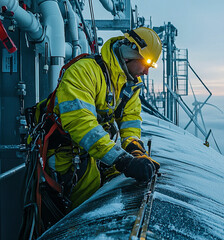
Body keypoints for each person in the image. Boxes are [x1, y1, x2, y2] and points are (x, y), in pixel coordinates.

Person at [41, 27, 161, 215]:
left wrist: (134, 148)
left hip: (96, 152)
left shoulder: (128, 85)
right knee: (82, 211)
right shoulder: (84, 72)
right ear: (129, 53)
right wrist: (123, 161)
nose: (146, 72)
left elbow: (131, 119)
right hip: (68, 157)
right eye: (146, 63)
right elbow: (82, 124)